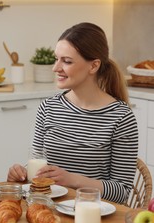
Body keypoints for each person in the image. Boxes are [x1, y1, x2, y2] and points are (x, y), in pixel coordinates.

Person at [8, 22, 138, 204]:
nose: (56, 68)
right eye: (56, 59)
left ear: (93, 66)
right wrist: (21, 172)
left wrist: (72, 180)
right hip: (48, 209)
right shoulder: (48, 108)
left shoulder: (121, 117)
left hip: (93, 216)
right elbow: (37, 167)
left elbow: (121, 191)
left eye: (67, 61)